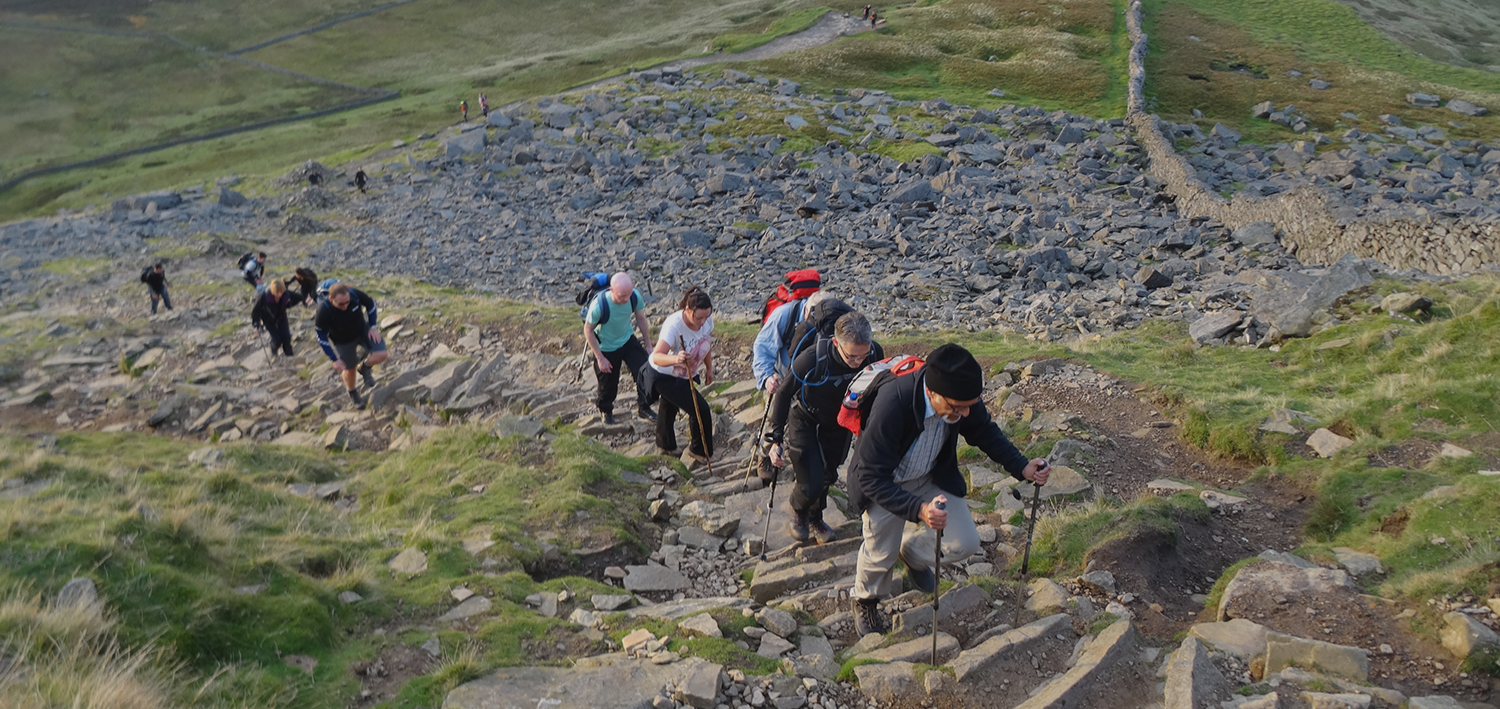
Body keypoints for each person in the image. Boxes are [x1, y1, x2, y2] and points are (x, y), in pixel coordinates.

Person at [846, 343, 1051, 636]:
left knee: (965, 542)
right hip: (884, 483)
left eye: (970, 405)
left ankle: (912, 556)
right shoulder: (894, 403)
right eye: (957, 407)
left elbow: (984, 431)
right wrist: (918, 510)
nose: (966, 413)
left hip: (929, 477)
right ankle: (865, 599)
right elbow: (868, 475)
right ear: (932, 392)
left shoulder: (960, 397)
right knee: (880, 553)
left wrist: (1022, 466)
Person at [767, 311, 884, 545]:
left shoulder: (874, 354)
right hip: (806, 418)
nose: (857, 362)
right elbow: (783, 395)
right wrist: (775, 440)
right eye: (851, 356)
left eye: (862, 356)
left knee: (829, 475)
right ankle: (798, 509)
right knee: (811, 481)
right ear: (835, 343)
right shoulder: (812, 359)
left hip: (841, 422)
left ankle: (814, 517)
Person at [751, 271, 825, 480]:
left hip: (807, 377)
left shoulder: (826, 317)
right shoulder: (783, 315)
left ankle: (798, 454)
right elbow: (762, 347)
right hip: (780, 375)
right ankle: (765, 455)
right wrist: (767, 377)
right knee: (774, 417)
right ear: (808, 308)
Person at [642, 286, 715, 461]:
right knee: (701, 410)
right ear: (688, 310)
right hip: (663, 374)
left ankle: (664, 444)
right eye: (699, 318)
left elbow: (706, 344)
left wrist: (709, 368)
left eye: (707, 316)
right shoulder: (674, 326)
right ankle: (698, 451)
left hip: (684, 372)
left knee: (669, 405)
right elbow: (657, 356)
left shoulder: (706, 320)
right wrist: (676, 358)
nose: (703, 322)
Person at [584, 272, 656, 425]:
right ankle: (606, 411)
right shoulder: (599, 305)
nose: (626, 299)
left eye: (628, 295)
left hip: (627, 340)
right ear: (611, 290)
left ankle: (644, 407)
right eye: (622, 296)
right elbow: (588, 330)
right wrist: (600, 358)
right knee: (608, 384)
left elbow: (641, 319)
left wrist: (648, 345)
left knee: (644, 372)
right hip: (606, 347)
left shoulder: (634, 297)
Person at [315, 282, 388, 407]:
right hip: (342, 340)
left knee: (382, 354)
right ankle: (352, 392)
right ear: (331, 299)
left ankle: (364, 367)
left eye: (347, 302)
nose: (345, 306)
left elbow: (371, 304)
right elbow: (321, 336)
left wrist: (373, 327)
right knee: (349, 369)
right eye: (341, 304)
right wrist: (334, 359)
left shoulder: (354, 294)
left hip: (362, 331)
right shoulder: (323, 311)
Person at [252, 278, 305, 357]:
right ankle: (274, 349)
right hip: (268, 319)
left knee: (286, 336)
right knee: (277, 339)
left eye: (281, 292)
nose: (279, 294)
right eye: (277, 292)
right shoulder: (263, 297)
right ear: (273, 290)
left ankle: (289, 355)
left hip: (281, 316)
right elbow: (256, 311)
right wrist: (256, 324)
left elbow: (298, 297)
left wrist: (305, 299)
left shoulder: (285, 293)